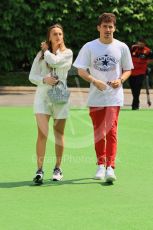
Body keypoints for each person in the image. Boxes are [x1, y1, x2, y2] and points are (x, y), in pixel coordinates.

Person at [73, 13, 133, 182]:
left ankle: (110, 168)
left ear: (114, 28)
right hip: (96, 97)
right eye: (105, 26)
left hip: (114, 97)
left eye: (111, 27)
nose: (108, 30)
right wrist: (94, 80)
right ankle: (100, 165)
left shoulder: (122, 47)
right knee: (99, 133)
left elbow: (128, 69)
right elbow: (81, 70)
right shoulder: (89, 47)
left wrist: (120, 80)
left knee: (111, 131)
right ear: (98, 28)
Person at [29, 24, 73, 184]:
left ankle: (58, 168)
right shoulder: (40, 55)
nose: (58, 36)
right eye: (54, 34)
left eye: (60, 34)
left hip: (60, 97)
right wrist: (43, 79)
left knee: (59, 134)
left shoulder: (67, 53)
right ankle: (39, 170)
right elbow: (32, 76)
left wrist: (46, 50)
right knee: (42, 133)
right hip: (42, 97)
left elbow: (55, 62)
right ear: (49, 37)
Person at [129, 39, 153, 110]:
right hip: (131, 72)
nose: (140, 44)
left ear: (144, 44)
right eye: (139, 43)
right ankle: (136, 102)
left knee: (137, 88)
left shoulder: (148, 51)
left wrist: (145, 64)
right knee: (133, 88)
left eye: (142, 43)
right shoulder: (133, 48)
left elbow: (151, 59)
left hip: (141, 72)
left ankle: (135, 105)